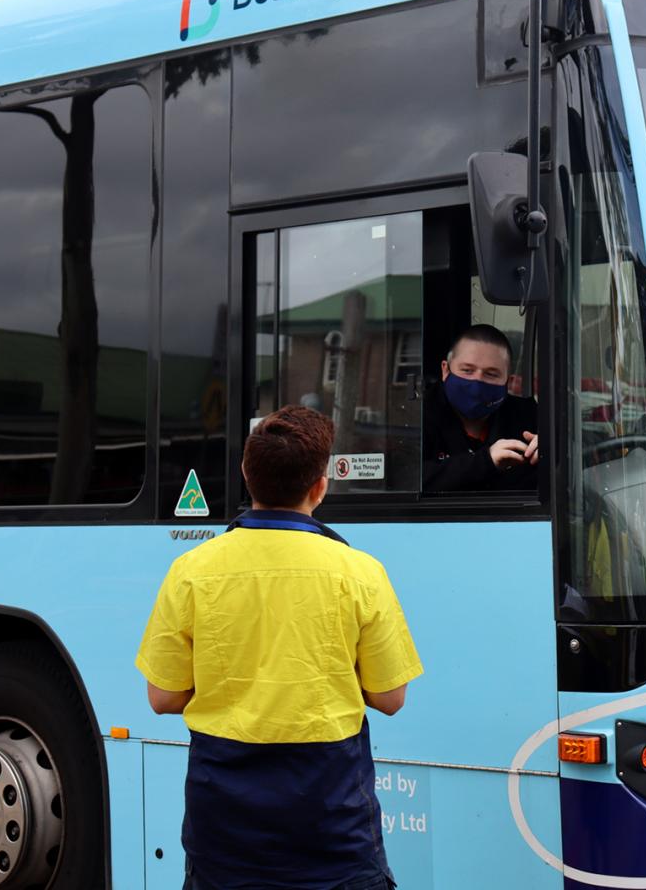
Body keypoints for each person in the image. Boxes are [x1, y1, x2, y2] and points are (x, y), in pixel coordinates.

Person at [135, 406, 422, 890]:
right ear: (320, 486)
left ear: (247, 476)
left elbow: (163, 698)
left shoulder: (191, 570)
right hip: (331, 824)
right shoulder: (360, 573)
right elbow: (390, 698)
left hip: (223, 825)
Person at [422, 323, 540, 492]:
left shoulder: (527, 415)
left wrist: (551, 447)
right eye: (467, 370)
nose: (476, 383)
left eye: (491, 374)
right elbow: (404, 478)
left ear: (509, 380)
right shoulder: (417, 417)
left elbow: (581, 444)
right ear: (445, 370)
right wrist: (486, 461)